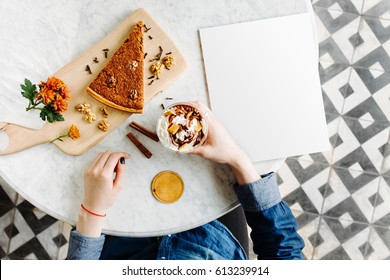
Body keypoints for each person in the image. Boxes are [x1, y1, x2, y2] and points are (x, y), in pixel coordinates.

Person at [67, 102, 304, 260]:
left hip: (117, 240)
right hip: (213, 238)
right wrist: (236, 157)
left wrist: (93, 211)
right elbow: (284, 250)